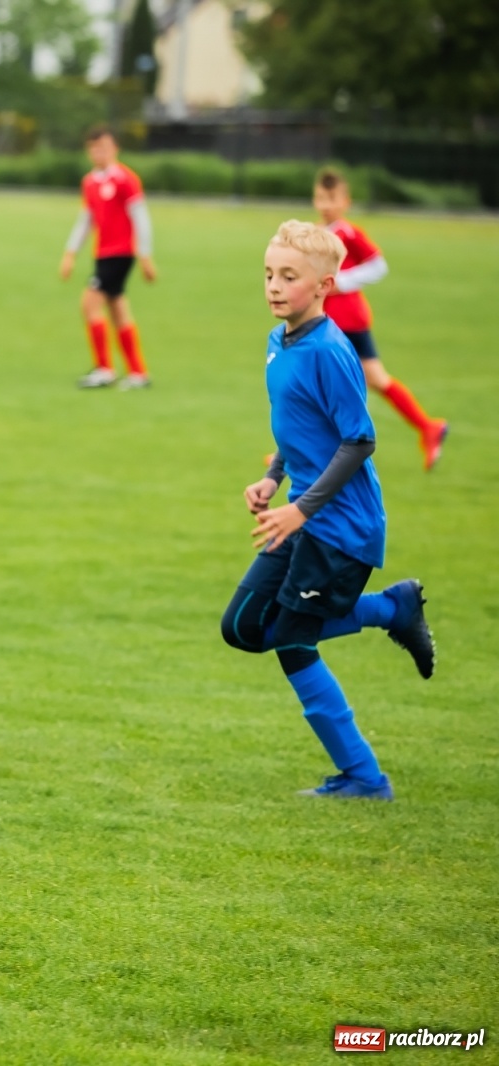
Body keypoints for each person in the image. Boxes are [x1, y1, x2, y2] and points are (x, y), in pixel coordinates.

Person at [220, 220, 437, 801]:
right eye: (269, 273)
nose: (273, 285)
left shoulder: (332, 350)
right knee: (241, 629)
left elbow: (359, 440)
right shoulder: (278, 341)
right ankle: (392, 609)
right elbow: (297, 431)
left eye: (289, 276)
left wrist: (301, 510)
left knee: (292, 641)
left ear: (324, 285)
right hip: (300, 513)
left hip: (340, 527)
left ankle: (365, 778)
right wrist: (271, 480)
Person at [313, 168, 449, 470]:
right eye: (321, 198)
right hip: (333, 321)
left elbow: (378, 266)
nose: (325, 204)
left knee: (322, 381)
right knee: (373, 380)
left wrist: (341, 281)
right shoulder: (319, 234)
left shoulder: (347, 233)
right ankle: (428, 427)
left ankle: (297, 454)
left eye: (332, 198)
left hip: (345, 321)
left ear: (345, 201)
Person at [59, 126, 156, 390]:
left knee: (89, 304)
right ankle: (138, 372)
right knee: (117, 309)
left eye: (103, 147)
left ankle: (105, 369)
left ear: (115, 148)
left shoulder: (125, 179)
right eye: (93, 148)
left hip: (121, 253)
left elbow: (141, 218)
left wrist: (145, 256)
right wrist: (70, 253)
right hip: (102, 254)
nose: (97, 152)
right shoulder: (90, 182)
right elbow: (86, 220)